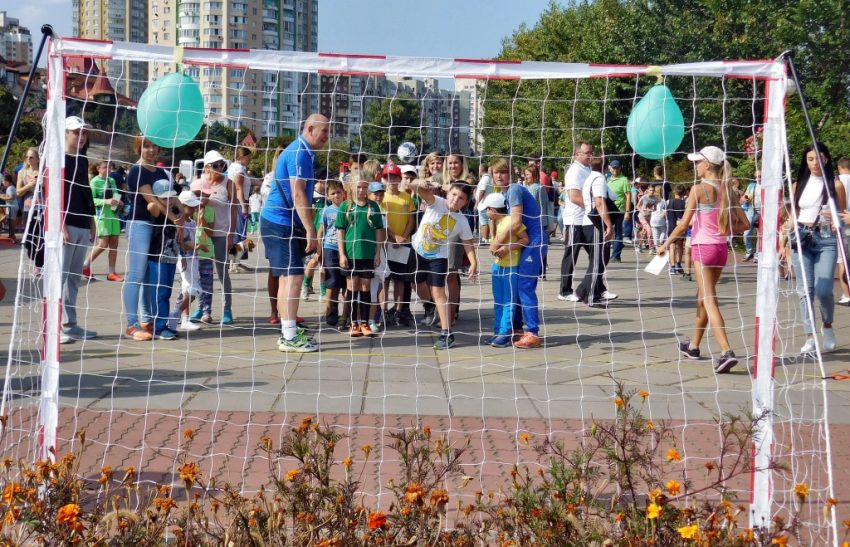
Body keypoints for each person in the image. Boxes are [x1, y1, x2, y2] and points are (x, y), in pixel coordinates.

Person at [657, 146, 742, 373]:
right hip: (721, 249)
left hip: (703, 248)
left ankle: (726, 351)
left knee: (709, 299)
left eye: (697, 162)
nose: (695, 166)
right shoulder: (728, 190)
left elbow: (683, 224)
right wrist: (723, 229)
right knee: (702, 298)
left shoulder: (698, 189)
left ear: (707, 165)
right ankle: (693, 346)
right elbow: (743, 224)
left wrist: (665, 245)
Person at [262, 113, 329, 352]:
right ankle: (289, 336)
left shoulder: (303, 151)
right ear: (310, 129)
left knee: (287, 278)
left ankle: (287, 330)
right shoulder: (299, 151)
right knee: (294, 277)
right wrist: (311, 230)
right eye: (324, 131)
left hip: (279, 222)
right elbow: (298, 193)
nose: (327, 137)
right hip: (280, 222)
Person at [784, 143, 845, 354]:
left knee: (824, 290)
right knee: (805, 290)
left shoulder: (835, 185)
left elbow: (843, 214)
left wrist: (837, 218)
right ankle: (810, 336)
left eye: (818, 158)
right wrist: (785, 237)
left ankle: (827, 325)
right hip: (801, 237)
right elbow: (793, 214)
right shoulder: (798, 184)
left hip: (826, 238)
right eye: (810, 159)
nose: (814, 163)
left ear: (826, 158)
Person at [411, 178, 478, 350]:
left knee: (439, 292)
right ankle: (430, 306)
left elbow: (468, 243)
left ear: (465, 202)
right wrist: (421, 182)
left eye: (461, 198)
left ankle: (446, 333)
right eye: (454, 194)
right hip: (417, 251)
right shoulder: (436, 202)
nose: (456, 200)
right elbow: (414, 187)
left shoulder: (461, 220)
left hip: (439, 258)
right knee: (415, 282)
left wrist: (474, 263)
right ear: (448, 193)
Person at [490, 156, 545, 349]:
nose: (499, 176)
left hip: (535, 241)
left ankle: (533, 332)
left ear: (511, 174)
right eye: (496, 172)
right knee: (518, 285)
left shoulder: (513, 189)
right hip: (528, 241)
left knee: (524, 285)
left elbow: (515, 222)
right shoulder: (504, 193)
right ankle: (517, 328)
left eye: (503, 172)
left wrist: (497, 242)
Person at [123, 136, 173, 341]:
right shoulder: (137, 170)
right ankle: (131, 324)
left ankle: (147, 319)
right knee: (136, 274)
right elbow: (151, 199)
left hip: (158, 228)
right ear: (139, 148)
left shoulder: (161, 172)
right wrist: (175, 219)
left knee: (150, 277)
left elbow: (171, 198)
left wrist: (181, 215)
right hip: (140, 224)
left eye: (155, 146)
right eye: (146, 146)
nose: (151, 150)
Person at [59, 116, 98, 344]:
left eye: (84, 133)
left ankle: (70, 324)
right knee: (60, 277)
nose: (81, 137)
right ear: (65, 133)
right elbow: (53, 194)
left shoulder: (82, 159)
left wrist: (92, 220)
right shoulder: (58, 159)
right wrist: (61, 224)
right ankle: (55, 327)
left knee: (74, 278)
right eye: (76, 132)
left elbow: (85, 191)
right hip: (66, 224)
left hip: (82, 222)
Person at [189, 151, 236, 325]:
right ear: (207, 167)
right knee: (202, 273)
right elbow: (188, 205)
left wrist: (231, 234)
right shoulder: (198, 182)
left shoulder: (228, 183)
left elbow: (233, 210)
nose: (220, 168)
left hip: (221, 233)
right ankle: (201, 308)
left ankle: (227, 309)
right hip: (202, 234)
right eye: (215, 165)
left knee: (222, 272)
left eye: (222, 165)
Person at [336, 176, 385, 337]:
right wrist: (342, 254)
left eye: (364, 187)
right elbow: (340, 230)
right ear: (351, 188)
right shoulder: (345, 206)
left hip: (368, 254)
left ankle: (364, 323)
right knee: (352, 288)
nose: (361, 190)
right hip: (351, 254)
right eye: (358, 187)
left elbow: (379, 230)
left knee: (365, 288)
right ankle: (353, 323)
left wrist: (377, 253)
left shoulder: (373, 206)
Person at [481, 192, 528, 348]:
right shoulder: (497, 223)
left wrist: (507, 248)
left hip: (511, 267)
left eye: (487, 209)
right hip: (498, 266)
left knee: (509, 301)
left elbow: (525, 239)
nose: (486, 213)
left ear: (493, 210)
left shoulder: (511, 221)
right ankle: (498, 331)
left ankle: (505, 333)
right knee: (498, 301)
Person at [573, 157, 616, 305]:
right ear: (605, 167)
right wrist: (608, 225)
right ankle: (592, 296)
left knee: (599, 259)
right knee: (598, 261)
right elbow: (599, 202)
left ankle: (582, 290)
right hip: (596, 223)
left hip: (588, 223)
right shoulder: (599, 179)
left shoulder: (589, 178)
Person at [144, 179, 182, 340]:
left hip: (171, 257)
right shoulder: (157, 209)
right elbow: (151, 206)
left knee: (166, 292)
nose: (168, 200)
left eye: (171, 197)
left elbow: (182, 210)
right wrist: (158, 201)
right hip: (157, 256)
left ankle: (163, 324)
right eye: (164, 198)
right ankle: (159, 327)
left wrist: (174, 201)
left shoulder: (175, 209)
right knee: (159, 293)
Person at [380, 163, 417, 327]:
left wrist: (403, 237)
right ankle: (383, 310)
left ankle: (398, 310)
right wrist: (393, 236)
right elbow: (380, 222)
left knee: (400, 279)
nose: (392, 181)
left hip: (403, 243)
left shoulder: (406, 197)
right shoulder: (380, 197)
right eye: (388, 178)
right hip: (385, 243)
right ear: (383, 179)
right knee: (384, 279)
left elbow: (411, 220)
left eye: (395, 178)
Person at [559, 142, 594, 302]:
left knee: (598, 254)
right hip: (575, 220)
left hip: (587, 219)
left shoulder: (588, 169)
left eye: (591, 152)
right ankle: (565, 291)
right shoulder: (574, 171)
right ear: (577, 154)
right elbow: (574, 197)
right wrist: (594, 207)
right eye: (587, 153)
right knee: (571, 254)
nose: (590, 155)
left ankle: (598, 288)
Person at [84, 160, 123, 281]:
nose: (108, 169)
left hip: (113, 214)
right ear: (98, 169)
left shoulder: (112, 180)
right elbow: (91, 200)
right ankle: (85, 265)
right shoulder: (94, 182)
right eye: (105, 167)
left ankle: (112, 273)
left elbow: (115, 194)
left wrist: (118, 201)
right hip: (102, 215)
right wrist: (106, 201)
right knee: (103, 244)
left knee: (114, 243)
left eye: (110, 167)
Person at [175, 190, 206, 332]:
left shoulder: (192, 222)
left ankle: (184, 319)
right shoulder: (179, 222)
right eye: (191, 206)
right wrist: (196, 247)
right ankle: (175, 314)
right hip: (185, 258)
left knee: (187, 290)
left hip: (193, 258)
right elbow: (181, 242)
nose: (194, 209)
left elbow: (196, 238)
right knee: (194, 290)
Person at [318, 179, 345, 326]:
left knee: (345, 282)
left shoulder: (348, 208)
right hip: (330, 248)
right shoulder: (327, 211)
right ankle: (331, 310)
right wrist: (320, 252)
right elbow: (321, 232)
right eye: (333, 193)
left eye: (338, 192)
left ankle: (346, 312)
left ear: (343, 193)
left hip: (346, 249)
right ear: (328, 196)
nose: (336, 195)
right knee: (332, 281)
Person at [523, 166, 554, 279]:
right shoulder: (529, 187)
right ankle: (538, 270)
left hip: (537, 221)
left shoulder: (538, 188)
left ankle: (541, 271)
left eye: (528, 174)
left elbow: (542, 206)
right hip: (532, 221)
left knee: (539, 247)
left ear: (534, 175)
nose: (526, 177)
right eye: (525, 174)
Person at [227, 145, 254, 273]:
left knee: (238, 233)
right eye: (248, 157)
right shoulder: (238, 169)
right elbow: (239, 188)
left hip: (236, 202)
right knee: (239, 233)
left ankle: (235, 262)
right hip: (239, 203)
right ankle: (234, 264)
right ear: (243, 157)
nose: (249, 160)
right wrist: (244, 206)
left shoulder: (234, 167)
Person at [607, 159, 630, 262]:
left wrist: (627, 212)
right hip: (608, 209)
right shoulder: (608, 179)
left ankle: (616, 255)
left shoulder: (624, 180)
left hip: (619, 210)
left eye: (617, 168)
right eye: (613, 168)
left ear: (620, 168)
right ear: (610, 168)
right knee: (608, 231)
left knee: (618, 232)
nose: (615, 170)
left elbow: (628, 196)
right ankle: (614, 249)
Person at [16, 147, 39, 231]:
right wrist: (28, 186)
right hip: (28, 208)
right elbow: (18, 192)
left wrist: (41, 183)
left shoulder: (44, 172)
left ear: (38, 159)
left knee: (40, 235)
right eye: (27, 157)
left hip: (42, 208)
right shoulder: (22, 172)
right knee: (28, 235)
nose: (28, 159)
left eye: (31, 157)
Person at [837, 158, 850, 305]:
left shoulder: (837, 181)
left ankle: (847, 294)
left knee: (842, 260)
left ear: (839, 167)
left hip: (842, 222)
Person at [666, 184, 688, 274]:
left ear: (674, 191)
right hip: (680, 227)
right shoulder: (684, 203)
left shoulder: (669, 202)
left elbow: (665, 214)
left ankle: (672, 267)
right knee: (680, 245)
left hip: (671, 226)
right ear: (684, 193)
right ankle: (679, 264)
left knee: (672, 246)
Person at [741, 171, 762, 262]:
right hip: (751, 210)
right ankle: (749, 251)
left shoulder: (767, 186)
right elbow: (743, 198)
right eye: (756, 176)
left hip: (763, 212)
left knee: (760, 234)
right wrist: (745, 199)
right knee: (746, 233)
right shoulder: (751, 186)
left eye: (760, 176)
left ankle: (757, 255)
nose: (758, 178)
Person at [475, 162, 493, 243]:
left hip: (483, 204)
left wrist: (477, 203)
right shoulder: (487, 178)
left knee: (484, 221)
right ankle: (485, 238)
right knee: (485, 221)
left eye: (479, 168)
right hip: (485, 203)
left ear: (481, 169)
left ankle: (485, 239)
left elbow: (482, 191)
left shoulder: (485, 178)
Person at [0, 173, 19, 240]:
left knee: (11, 221)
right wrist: (4, 196)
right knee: (10, 221)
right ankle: (11, 235)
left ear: (7, 181)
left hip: (12, 207)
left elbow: (11, 197)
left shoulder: (10, 188)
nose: (3, 183)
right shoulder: (11, 187)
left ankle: (12, 235)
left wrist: (2, 197)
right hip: (11, 206)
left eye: (3, 181)